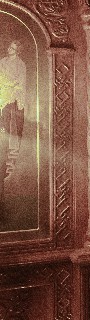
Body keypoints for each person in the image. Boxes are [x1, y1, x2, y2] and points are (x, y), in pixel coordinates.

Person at [0, 40, 26, 222]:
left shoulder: (21, 65)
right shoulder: (2, 62)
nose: (9, 49)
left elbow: (20, 84)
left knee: (12, 128)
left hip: (13, 100)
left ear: (18, 51)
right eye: (9, 47)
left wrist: (12, 86)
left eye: (13, 48)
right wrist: (8, 84)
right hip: (3, 97)